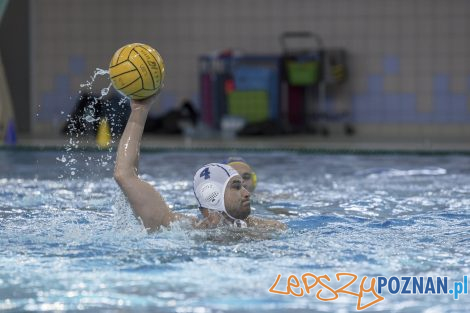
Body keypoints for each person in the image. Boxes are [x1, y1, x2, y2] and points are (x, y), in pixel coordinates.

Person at [114, 94, 285, 232]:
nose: (247, 193)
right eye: (236, 186)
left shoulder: (270, 229)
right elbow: (125, 175)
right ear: (212, 196)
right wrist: (139, 110)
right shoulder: (183, 229)